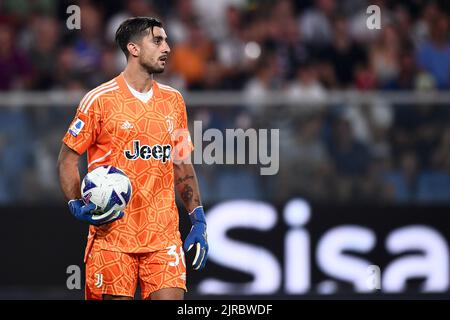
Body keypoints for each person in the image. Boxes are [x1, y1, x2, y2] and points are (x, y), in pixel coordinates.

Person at [57, 17, 208, 300]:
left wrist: (197, 218)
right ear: (134, 48)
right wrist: (75, 201)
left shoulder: (174, 101)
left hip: (163, 236)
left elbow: (182, 164)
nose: (168, 48)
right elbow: (67, 159)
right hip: (112, 238)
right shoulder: (99, 100)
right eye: (158, 40)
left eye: (166, 40)